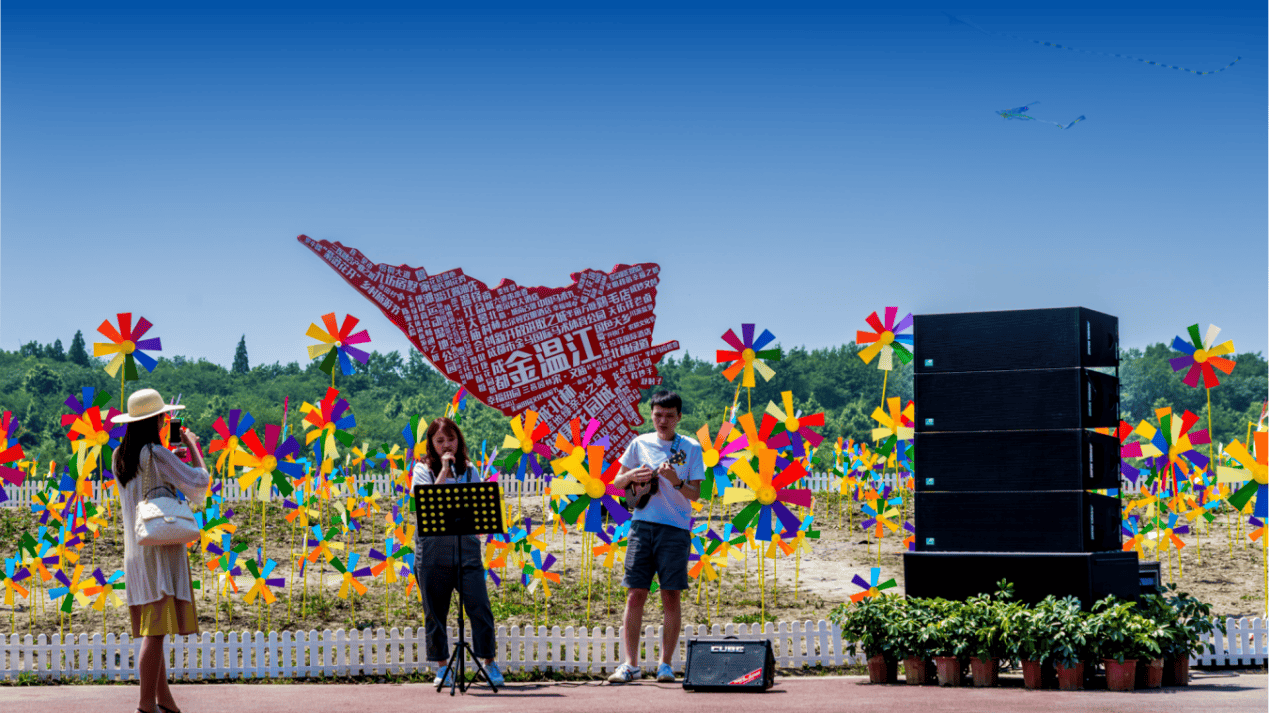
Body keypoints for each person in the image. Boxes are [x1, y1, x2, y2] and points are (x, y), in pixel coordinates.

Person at [111, 388, 209, 713]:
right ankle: (144, 706)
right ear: (157, 419)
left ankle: (164, 700)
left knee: (154, 631)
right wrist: (193, 445)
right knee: (155, 634)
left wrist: (171, 460)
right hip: (159, 552)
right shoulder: (156, 453)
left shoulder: (119, 456)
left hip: (135, 552)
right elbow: (198, 483)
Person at [608, 390, 705, 683]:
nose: (663, 421)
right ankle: (630, 664)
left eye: (669, 415)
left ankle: (665, 664)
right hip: (641, 526)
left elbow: (696, 494)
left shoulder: (690, 447)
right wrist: (633, 477)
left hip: (675, 528)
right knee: (635, 593)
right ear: (651, 414)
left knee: (670, 594)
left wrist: (676, 481)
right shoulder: (639, 443)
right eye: (658, 415)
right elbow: (616, 484)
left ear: (679, 417)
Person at [411, 417, 504, 688]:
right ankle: (442, 667)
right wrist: (444, 469)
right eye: (439, 441)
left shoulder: (470, 471)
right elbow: (426, 502)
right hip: (432, 549)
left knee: (479, 606)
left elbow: (481, 506)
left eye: (450, 439)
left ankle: (488, 662)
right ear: (431, 444)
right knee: (435, 610)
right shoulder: (422, 470)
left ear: (458, 440)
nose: (446, 445)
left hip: (467, 548)